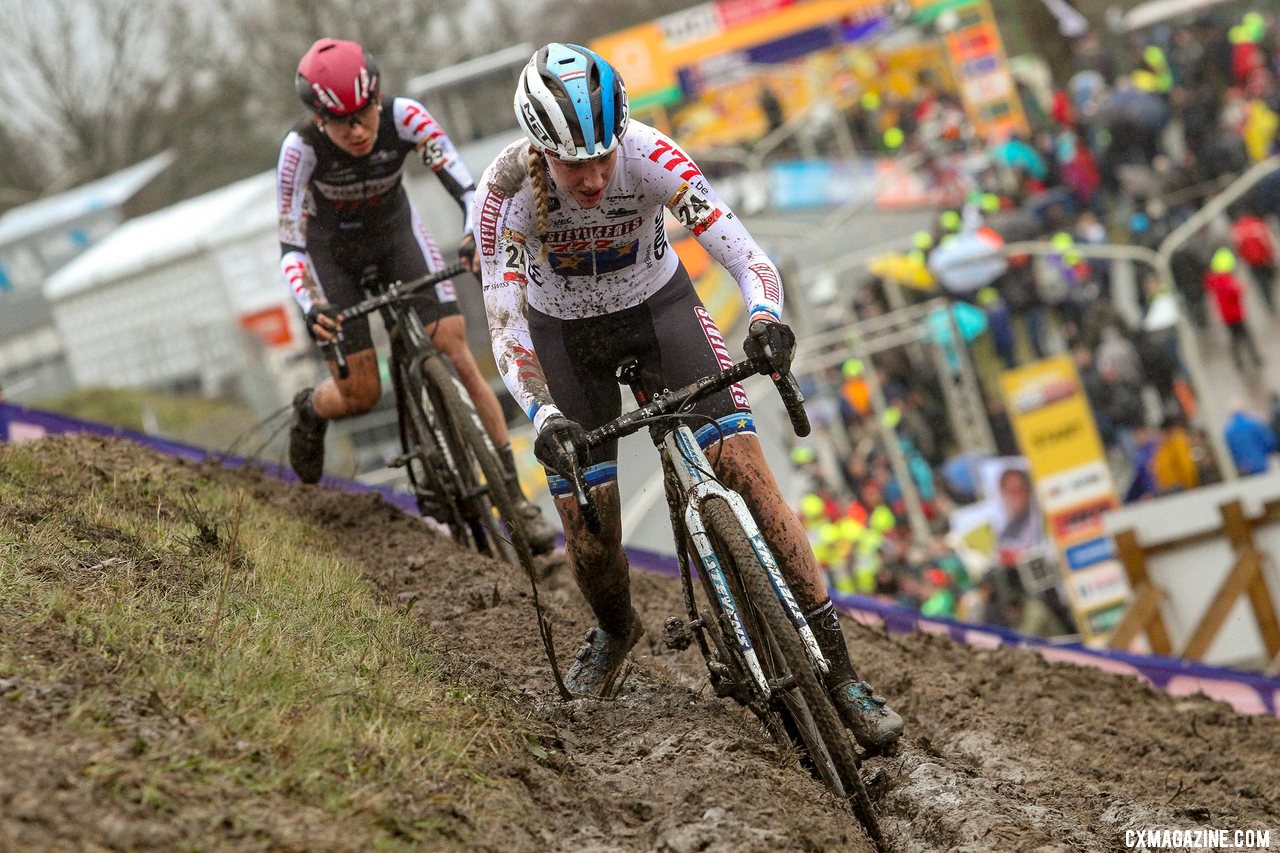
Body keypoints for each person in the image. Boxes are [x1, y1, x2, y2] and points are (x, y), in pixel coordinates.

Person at [474, 43, 902, 753]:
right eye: (574, 164)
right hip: (561, 338)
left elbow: (742, 250)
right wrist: (543, 412)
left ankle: (845, 675)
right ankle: (615, 630)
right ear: (540, 150)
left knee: (752, 479)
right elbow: (505, 320)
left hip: (658, 309)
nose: (593, 176)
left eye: (603, 156)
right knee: (591, 531)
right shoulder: (506, 192)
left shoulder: (650, 155)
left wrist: (763, 315)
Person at [276, 38, 555, 552]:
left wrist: (474, 234)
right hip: (330, 260)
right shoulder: (300, 151)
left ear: (377, 98)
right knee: (360, 394)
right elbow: (291, 244)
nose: (358, 130)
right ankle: (312, 410)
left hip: (396, 239)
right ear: (319, 120)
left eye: (364, 113)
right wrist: (312, 304)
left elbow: (470, 190)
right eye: (342, 123)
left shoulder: (406, 118)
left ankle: (516, 500)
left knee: (455, 346)